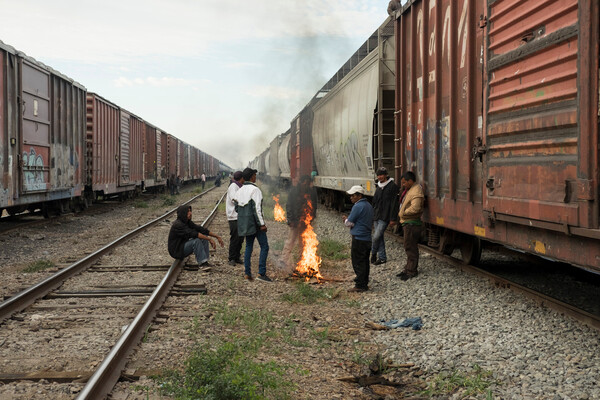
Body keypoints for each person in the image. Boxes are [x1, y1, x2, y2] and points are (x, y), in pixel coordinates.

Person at [233, 167, 271, 282]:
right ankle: (261, 273)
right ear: (251, 177)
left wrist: (245, 218)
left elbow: (236, 208)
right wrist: (262, 224)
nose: (256, 177)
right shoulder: (255, 190)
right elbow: (257, 209)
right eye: (255, 175)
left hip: (245, 224)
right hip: (255, 224)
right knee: (264, 246)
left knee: (249, 246)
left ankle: (247, 273)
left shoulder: (239, 191)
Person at [280, 175, 318, 273]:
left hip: (305, 222)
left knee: (303, 242)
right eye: (308, 182)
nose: (309, 185)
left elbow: (314, 206)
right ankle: (284, 259)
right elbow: (289, 206)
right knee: (291, 240)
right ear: (303, 182)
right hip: (295, 221)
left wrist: (311, 219)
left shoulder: (311, 192)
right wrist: (290, 220)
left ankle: (302, 260)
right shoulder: (294, 191)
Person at [342, 185, 373, 292]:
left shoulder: (358, 206)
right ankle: (364, 283)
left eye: (353, 195)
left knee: (358, 262)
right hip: (367, 238)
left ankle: (360, 285)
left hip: (359, 238)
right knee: (364, 262)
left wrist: (345, 220)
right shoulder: (368, 205)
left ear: (359, 196)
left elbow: (349, 223)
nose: (351, 197)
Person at [397, 171, 424, 280]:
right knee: (409, 246)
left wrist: (403, 213)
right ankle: (408, 268)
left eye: (404, 182)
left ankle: (411, 270)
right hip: (409, 222)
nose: (403, 185)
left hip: (411, 223)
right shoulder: (411, 190)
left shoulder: (416, 191)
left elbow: (415, 208)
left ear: (410, 181)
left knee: (410, 247)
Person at [370, 167, 399, 265]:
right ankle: (382, 258)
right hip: (376, 215)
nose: (379, 177)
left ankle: (373, 253)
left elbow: (394, 204)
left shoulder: (392, 187)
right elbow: (374, 201)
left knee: (376, 236)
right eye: (378, 175)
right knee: (379, 237)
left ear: (386, 175)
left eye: (381, 175)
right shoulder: (378, 186)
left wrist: (393, 218)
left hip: (385, 216)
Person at [226, 171, 245, 266]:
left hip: (239, 216)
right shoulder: (233, 186)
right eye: (243, 178)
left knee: (240, 238)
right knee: (235, 238)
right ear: (241, 178)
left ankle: (237, 256)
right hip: (233, 216)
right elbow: (235, 199)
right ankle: (231, 258)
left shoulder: (238, 186)